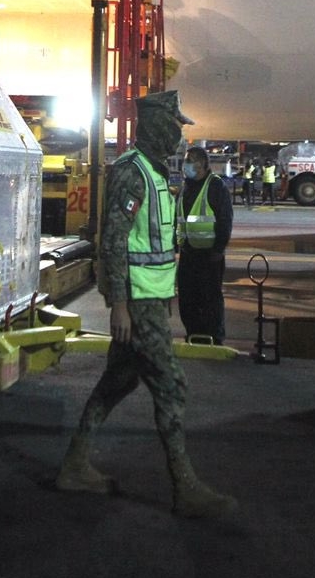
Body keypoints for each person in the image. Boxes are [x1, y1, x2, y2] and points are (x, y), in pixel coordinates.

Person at [55, 91, 237, 520]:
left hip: (150, 297)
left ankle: (75, 465)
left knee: (119, 381)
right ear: (156, 126)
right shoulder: (132, 173)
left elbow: (153, 243)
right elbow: (114, 241)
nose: (179, 135)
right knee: (172, 386)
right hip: (135, 302)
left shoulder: (155, 173)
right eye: (174, 126)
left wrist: (166, 293)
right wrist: (117, 304)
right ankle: (184, 485)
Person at [176, 145, 233, 345]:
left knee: (210, 299)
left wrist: (218, 249)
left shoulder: (216, 187)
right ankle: (194, 334)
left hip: (210, 256)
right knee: (187, 298)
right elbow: (180, 220)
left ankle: (214, 338)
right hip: (188, 254)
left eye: (189, 161)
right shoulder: (186, 188)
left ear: (201, 164)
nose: (186, 165)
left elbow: (225, 220)